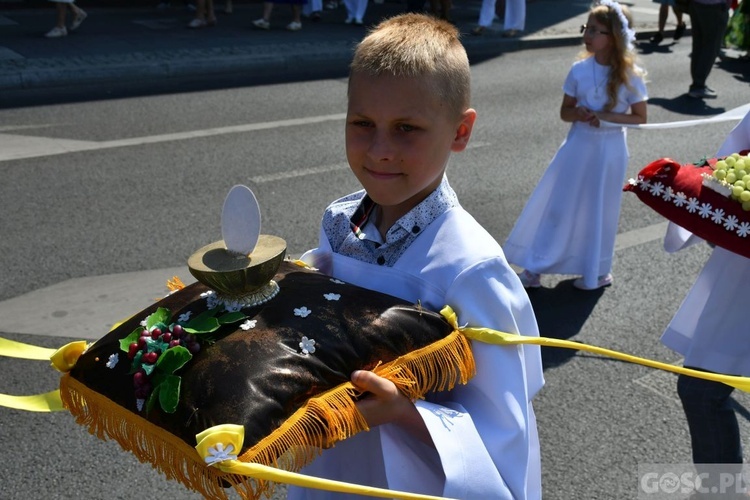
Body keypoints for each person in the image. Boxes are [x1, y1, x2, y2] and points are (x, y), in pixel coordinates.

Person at [295, 13, 544, 499]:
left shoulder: (469, 268)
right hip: (333, 455)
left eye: (406, 128)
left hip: (414, 476)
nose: (381, 150)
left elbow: (504, 426)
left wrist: (404, 412)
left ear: (460, 131)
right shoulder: (337, 222)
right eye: (363, 124)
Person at [503, 0, 648, 291]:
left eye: (596, 30)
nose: (587, 34)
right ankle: (536, 265)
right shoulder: (579, 70)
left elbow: (640, 117)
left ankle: (596, 269)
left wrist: (604, 116)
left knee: (599, 209)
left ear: (614, 37)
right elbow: (564, 111)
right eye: (587, 28)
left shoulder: (629, 75)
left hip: (609, 151)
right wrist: (579, 113)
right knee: (560, 204)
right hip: (579, 146)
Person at [660, 109, 750, 498]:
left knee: (702, 390)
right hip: (742, 280)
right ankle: (721, 491)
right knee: (701, 388)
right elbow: (726, 172)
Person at [687, 0, 731, 98]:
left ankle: (697, 83)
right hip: (715, 6)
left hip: (697, 4)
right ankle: (698, 85)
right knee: (711, 47)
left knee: (699, 46)